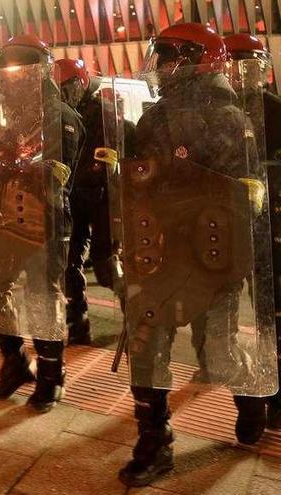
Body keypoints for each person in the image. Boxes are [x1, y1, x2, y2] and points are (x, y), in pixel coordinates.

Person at [117, 24, 270, 486]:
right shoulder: (153, 117)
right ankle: (154, 441)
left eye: (164, 56)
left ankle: (249, 393)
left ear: (191, 60)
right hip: (161, 252)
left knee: (217, 353)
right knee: (147, 347)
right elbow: (144, 181)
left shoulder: (228, 118)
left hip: (211, 257)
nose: (158, 66)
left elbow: (242, 195)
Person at [0, 35, 85, 413]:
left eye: (17, 69)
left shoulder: (59, 115)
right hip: (1, 216)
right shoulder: (5, 113)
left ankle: (52, 376)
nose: (8, 77)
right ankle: (14, 360)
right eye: (5, 69)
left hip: (43, 220)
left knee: (42, 298)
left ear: (37, 69)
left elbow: (57, 175)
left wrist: (18, 163)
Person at [224, 34, 281, 430]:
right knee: (223, 323)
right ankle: (247, 401)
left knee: (269, 320)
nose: (243, 74)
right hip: (220, 231)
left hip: (269, 231)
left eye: (250, 65)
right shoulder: (214, 113)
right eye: (235, 65)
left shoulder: (275, 111)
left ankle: (272, 399)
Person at [54, 58, 131, 345]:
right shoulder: (62, 113)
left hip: (101, 198)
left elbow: (116, 151)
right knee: (69, 263)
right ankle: (78, 324)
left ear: (79, 83)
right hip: (74, 196)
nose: (62, 93)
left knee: (106, 263)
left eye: (66, 86)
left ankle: (137, 318)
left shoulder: (104, 111)